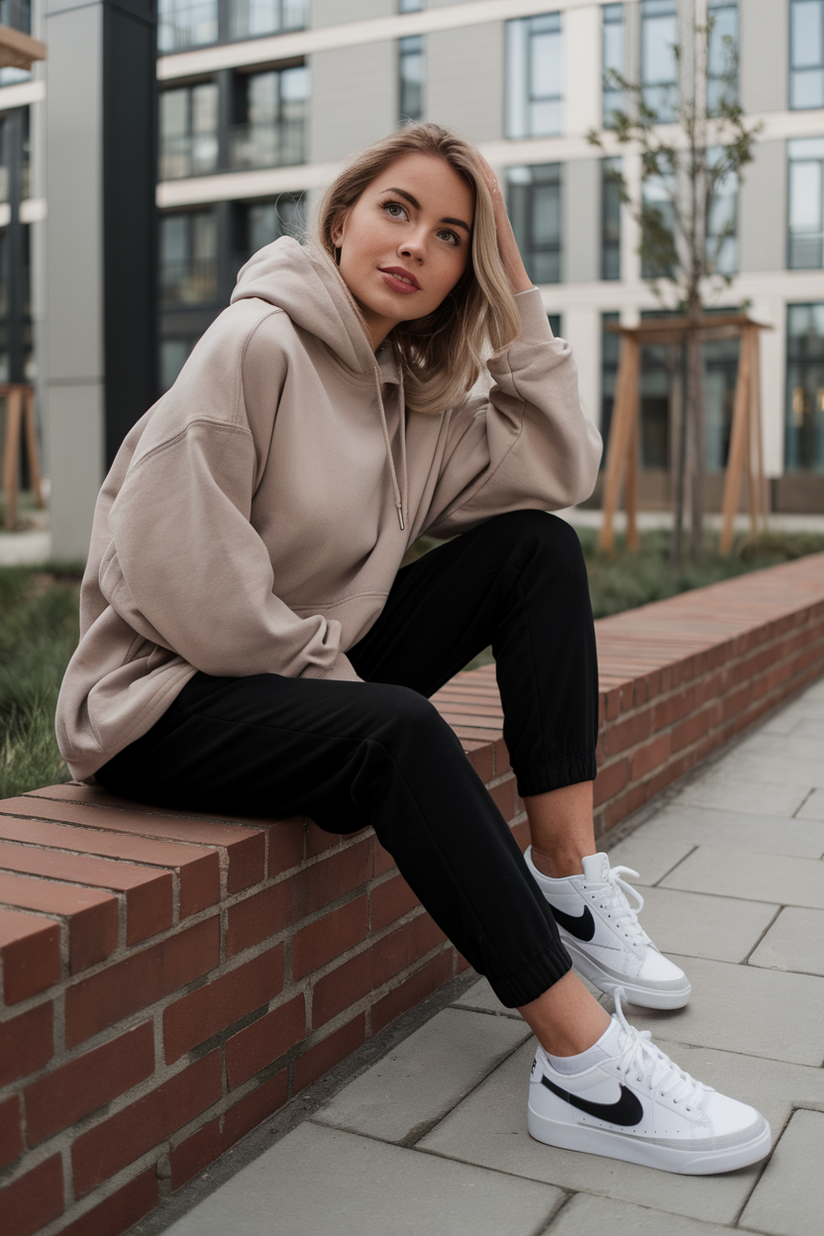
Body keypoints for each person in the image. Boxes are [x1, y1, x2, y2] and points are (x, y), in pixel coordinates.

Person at [56, 123, 770, 1176]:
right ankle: (584, 1065)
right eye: (395, 211)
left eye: (449, 236)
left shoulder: (407, 395)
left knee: (535, 550)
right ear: (340, 218)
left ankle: (565, 876)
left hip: (295, 681)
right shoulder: (251, 344)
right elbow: (183, 582)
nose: (414, 247)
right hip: (163, 704)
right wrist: (342, 694)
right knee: (395, 727)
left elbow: (555, 467)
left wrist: (515, 285)